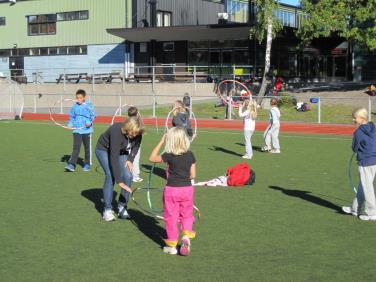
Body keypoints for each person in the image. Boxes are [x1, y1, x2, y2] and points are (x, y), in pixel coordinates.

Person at [149, 127, 196, 256]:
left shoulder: (168, 155)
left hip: (172, 190)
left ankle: (172, 245)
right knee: (186, 214)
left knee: (171, 218)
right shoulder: (190, 154)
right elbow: (193, 175)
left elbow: (152, 158)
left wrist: (161, 142)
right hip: (187, 189)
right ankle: (186, 235)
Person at [96, 117, 144, 221]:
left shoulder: (138, 133)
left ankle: (122, 206)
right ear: (128, 127)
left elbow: (136, 146)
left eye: (137, 133)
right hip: (103, 150)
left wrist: (130, 160)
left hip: (122, 151)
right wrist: (119, 181)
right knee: (110, 175)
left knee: (128, 175)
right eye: (133, 132)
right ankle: (107, 210)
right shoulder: (116, 131)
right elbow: (114, 157)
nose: (135, 135)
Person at [342, 108, 376, 221]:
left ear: (361, 118)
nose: (353, 120)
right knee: (363, 185)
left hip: (365, 162)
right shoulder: (374, 127)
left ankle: (372, 212)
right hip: (373, 161)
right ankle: (355, 208)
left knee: (367, 188)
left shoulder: (358, 132)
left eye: (355, 118)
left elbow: (354, 148)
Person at [65, 89, 96, 172]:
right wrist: (70, 124)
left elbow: (93, 116)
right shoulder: (74, 107)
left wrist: (89, 122)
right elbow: (72, 117)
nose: (78, 99)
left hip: (87, 130)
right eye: (77, 98)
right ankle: (71, 164)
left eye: (80, 98)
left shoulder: (89, 105)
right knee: (76, 148)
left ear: (84, 97)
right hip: (77, 130)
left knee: (87, 148)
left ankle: (87, 164)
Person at [127, 106, 143, 183]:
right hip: (134, 143)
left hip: (128, 143)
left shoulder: (127, 121)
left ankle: (129, 174)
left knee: (129, 158)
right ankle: (135, 176)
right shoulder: (137, 123)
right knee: (135, 158)